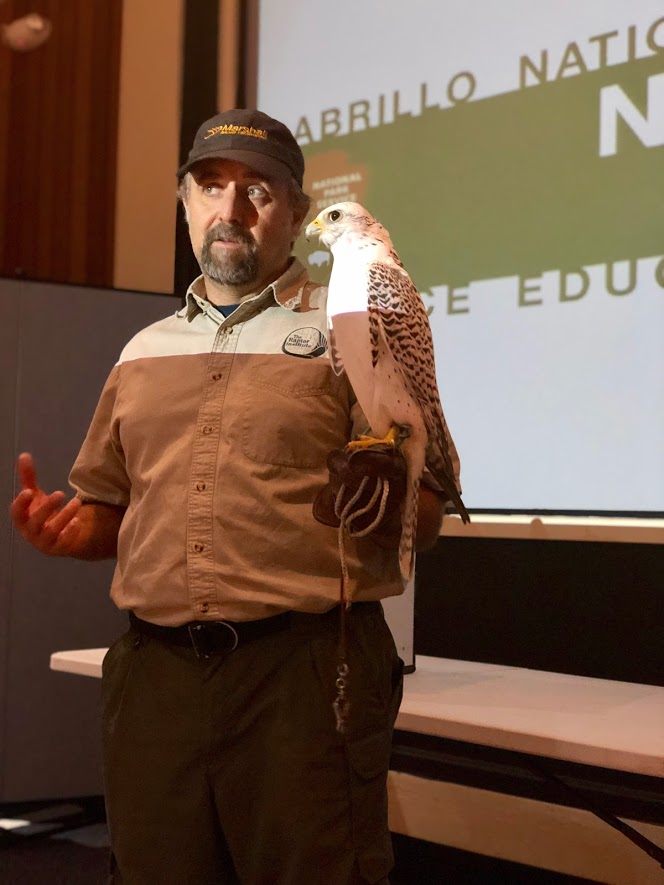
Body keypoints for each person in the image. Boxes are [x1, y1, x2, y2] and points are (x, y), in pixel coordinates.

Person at [10, 109, 455, 885]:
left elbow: (425, 511)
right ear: (185, 204)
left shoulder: (354, 316)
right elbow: (108, 515)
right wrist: (66, 531)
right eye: (210, 187)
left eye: (258, 190)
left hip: (305, 676)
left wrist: (397, 493)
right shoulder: (141, 352)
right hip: (155, 681)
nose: (231, 208)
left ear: (296, 210)